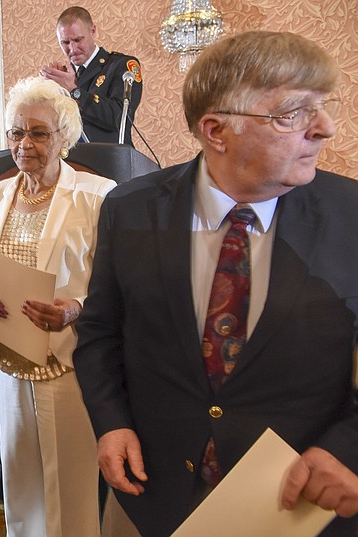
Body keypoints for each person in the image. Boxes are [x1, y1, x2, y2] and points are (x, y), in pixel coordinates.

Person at [73, 31, 358, 537]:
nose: (326, 129)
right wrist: (110, 421)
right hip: (153, 496)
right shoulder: (129, 209)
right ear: (216, 130)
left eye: (323, 107)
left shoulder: (351, 215)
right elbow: (100, 332)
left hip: (298, 506)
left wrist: (349, 449)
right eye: (294, 113)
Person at [0, 76, 116, 537]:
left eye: (38, 132)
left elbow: (120, 284)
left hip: (67, 359)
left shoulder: (97, 196)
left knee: (69, 482)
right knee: (20, 475)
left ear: (64, 137)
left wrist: (75, 308)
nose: (24, 143)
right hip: (10, 354)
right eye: (16, 132)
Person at [39, 6, 143, 146]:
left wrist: (74, 92)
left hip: (109, 160)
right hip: (70, 161)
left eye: (78, 40)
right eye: (65, 42)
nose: (73, 49)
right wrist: (49, 90)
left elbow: (119, 118)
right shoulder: (63, 76)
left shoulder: (122, 65)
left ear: (93, 31)